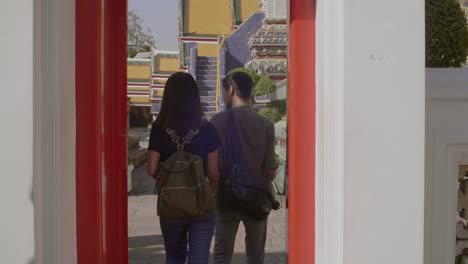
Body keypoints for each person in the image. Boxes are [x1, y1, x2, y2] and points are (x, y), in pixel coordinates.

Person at [146, 72, 221, 264]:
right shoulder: (207, 129)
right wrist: (207, 191)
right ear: (195, 97)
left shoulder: (158, 128)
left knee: (174, 255)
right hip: (201, 204)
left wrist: (172, 182)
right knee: (199, 258)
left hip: (171, 206)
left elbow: (152, 169)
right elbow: (213, 173)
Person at [211, 71, 279, 264]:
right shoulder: (266, 124)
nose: (223, 96)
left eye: (224, 91)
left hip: (226, 196)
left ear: (231, 90)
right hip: (256, 197)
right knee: (256, 254)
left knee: (222, 254)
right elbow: (271, 170)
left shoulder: (217, 122)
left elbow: (212, 166)